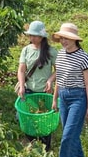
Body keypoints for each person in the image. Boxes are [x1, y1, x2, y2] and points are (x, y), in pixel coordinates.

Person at [52, 22, 88, 157]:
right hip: (63, 96)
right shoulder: (60, 54)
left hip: (78, 98)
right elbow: (59, 77)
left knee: (67, 137)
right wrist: (55, 98)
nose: (63, 41)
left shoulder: (84, 57)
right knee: (72, 135)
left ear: (75, 40)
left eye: (67, 39)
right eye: (62, 38)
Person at [16, 20, 57, 150]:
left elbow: (59, 70)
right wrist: (22, 86)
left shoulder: (51, 51)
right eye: (30, 35)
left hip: (44, 92)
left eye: (34, 35)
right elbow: (21, 70)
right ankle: (34, 142)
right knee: (23, 118)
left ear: (41, 37)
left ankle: (46, 147)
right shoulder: (26, 50)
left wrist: (50, 80)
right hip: (29, 91)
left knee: (44, 119)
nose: (32, 38)